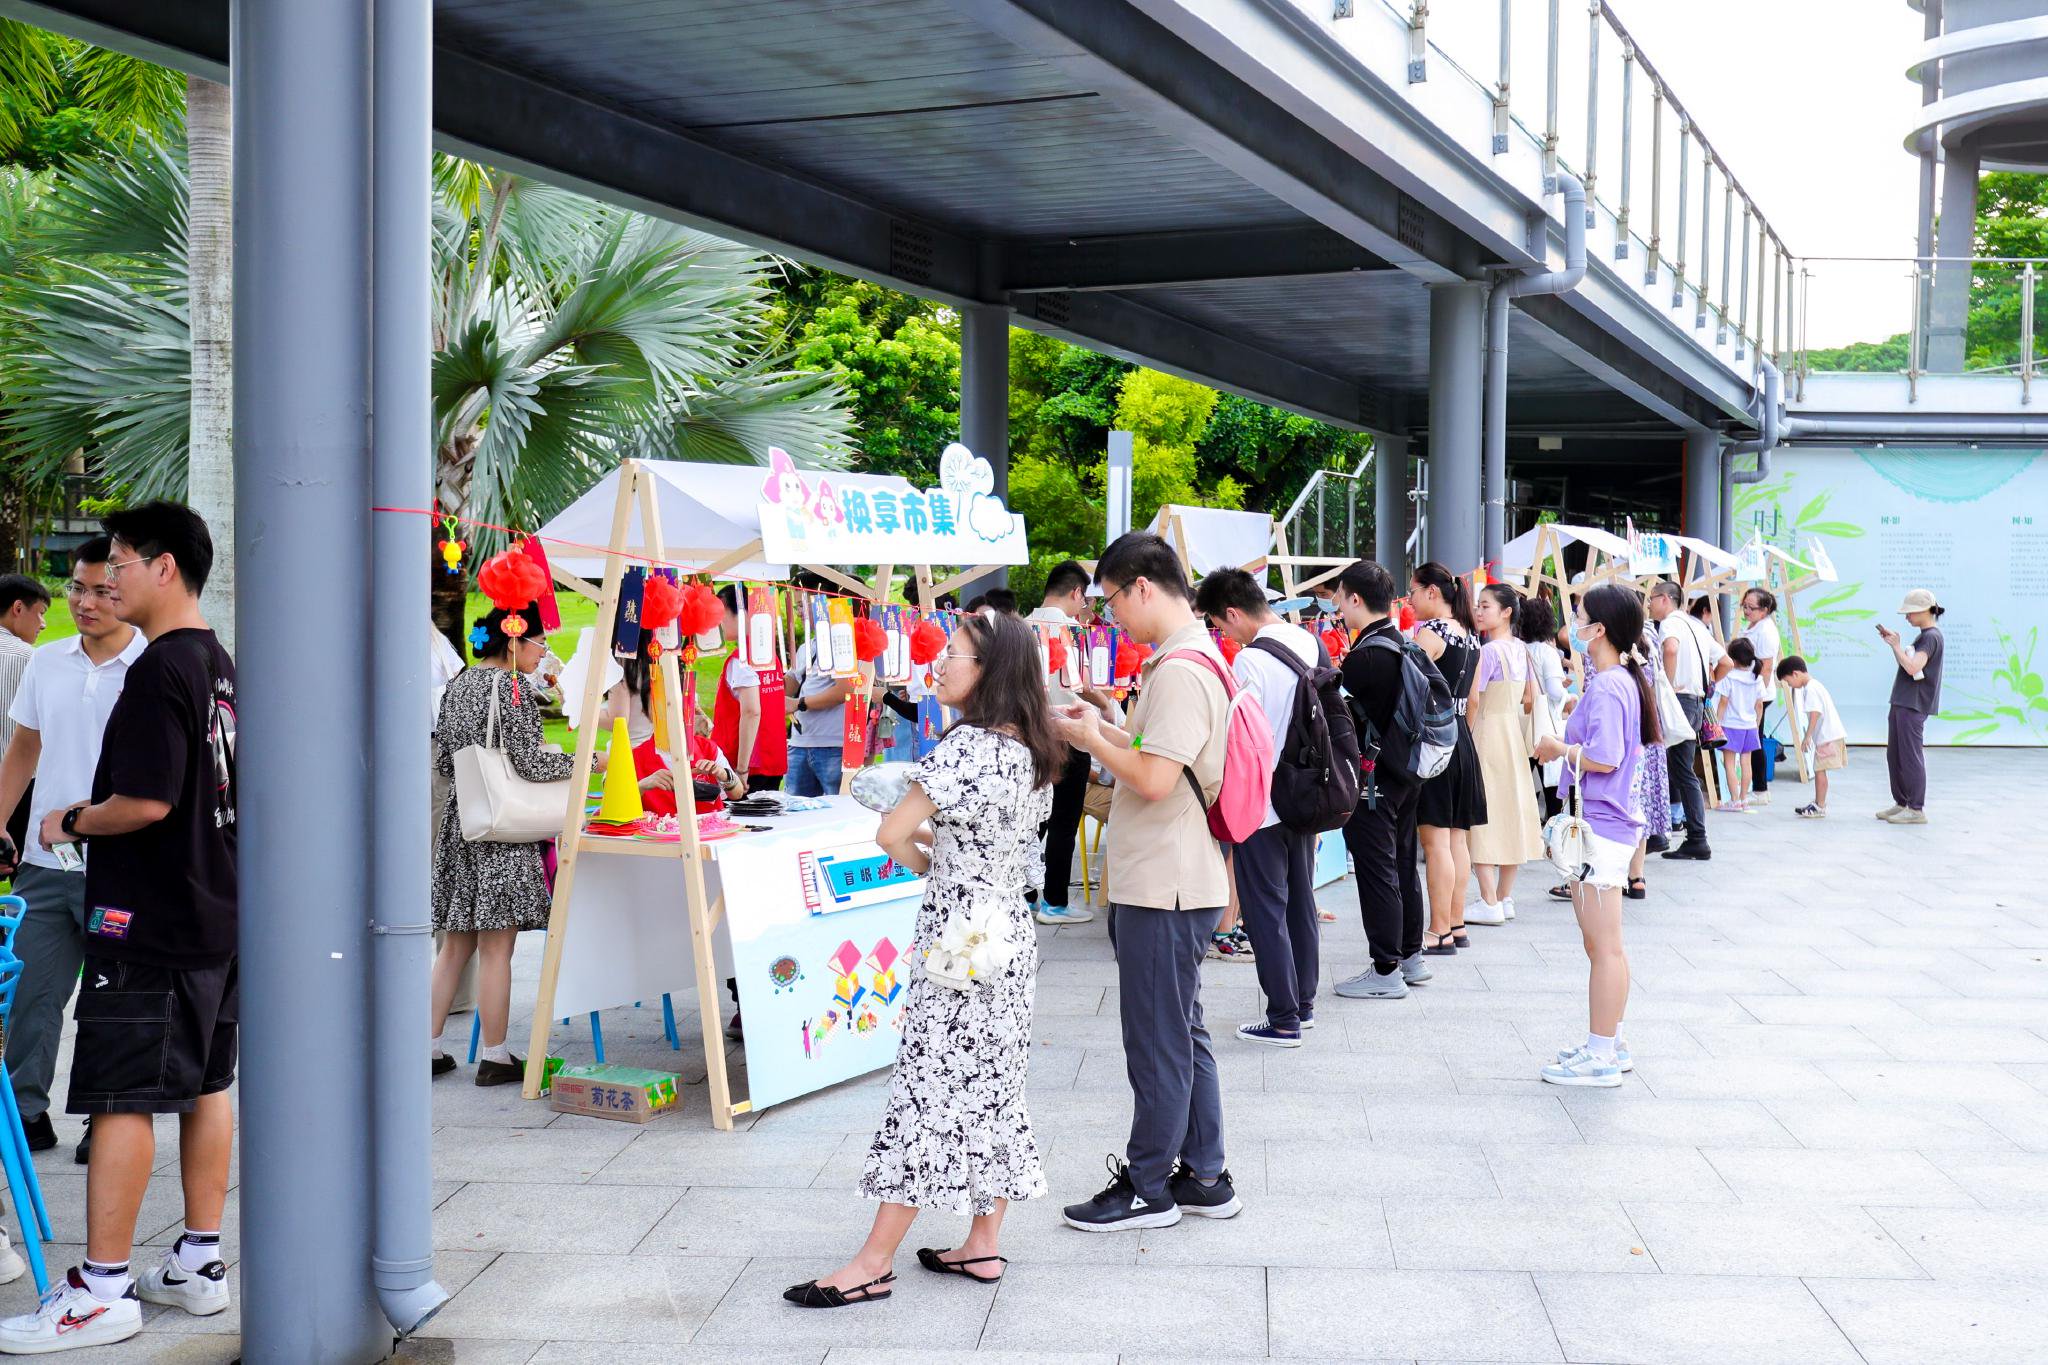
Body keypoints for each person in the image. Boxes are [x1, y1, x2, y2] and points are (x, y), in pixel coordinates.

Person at [0, 503, 237, 1353]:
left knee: (120, 1094)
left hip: (148, 918)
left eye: (124, 563)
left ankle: (101, 1289)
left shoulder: (158, 668)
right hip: (211, 911)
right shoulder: (215, 661)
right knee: (207, 1084)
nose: (108, 580)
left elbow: (145, 801)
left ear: (164, 568)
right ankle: (199, 1260)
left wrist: (70, 818)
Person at [784, 613, 1061, 1308]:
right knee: (994, 1086)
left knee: (928, 1088)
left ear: (989, 671)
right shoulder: (1032, 749)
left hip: (955, 947)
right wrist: (955, 859)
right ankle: (982, 1243)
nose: (938, 665)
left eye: (953, 655)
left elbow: (891, 832)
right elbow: (999, 844)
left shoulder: (963, 748)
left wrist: (934, 867)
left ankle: (872, 1261)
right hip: (1008, 937)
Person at [1051, 532, 1242, 1231]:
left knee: (1159, 1041)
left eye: (1111, 601)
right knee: (1181, 1031)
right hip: (1175, 876)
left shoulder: (1183, 670)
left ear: (1142, 586)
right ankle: (1205, 1175)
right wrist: (1105, 726)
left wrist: (1090, 740)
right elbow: (1152, 753)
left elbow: (1156, 779)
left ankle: (1148, 1185)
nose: (1111, 617)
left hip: (1165, 881)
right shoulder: (1188, 659)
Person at [0, 540, 145, 1165]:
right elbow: (24, 748)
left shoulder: (152, 666)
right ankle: (26, 1115)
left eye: (101, 591)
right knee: (31, 991)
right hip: (42, 861)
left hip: (123, 866)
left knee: (111, 997)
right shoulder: (47, 660)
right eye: (76, 589)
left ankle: (104, 1115)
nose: (85, 602)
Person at [428, 604, 573, 1087]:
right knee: (496, 948)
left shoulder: (459, 684)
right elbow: (531, 764)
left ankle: (427, 1048)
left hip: (463, 823)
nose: (542, 654)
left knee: (454, 947)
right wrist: (586, 761)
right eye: (540, 644)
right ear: (513, 640)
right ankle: (495, 1055)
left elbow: (445, 762)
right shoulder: (512, 689)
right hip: (503, 833)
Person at [1529, 583, 1655, 1088]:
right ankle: (1610, 1042)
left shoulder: (1608, 684)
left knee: (1603, 947)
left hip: (1601, 826)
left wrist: (1557, 748)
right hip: (1610, 823)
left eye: (1579, 618)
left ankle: (1601, 1053)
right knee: (1606, 945)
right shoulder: (1619, 679)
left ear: (1599, 630)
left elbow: (1605, 757)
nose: (1573, 626)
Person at [1193, 568, 1321, 1044]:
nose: (1224, 636)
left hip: (1262, 803)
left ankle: (1283, 1018)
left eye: (1220, 625)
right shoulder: (1308, 642)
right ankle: (1303, 1005)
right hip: (1305, 795)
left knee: (1265, 908)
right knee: (1301, 900)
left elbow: (1246, 738)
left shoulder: (1251, 659)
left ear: (1232, 613)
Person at [1332, 558, 1428, 998]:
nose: (1337, 606)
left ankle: (1386, 970)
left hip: (1373, 781)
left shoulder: (1365, 656)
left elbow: (1341, 720)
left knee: (1377, 869)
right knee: (1403, 863)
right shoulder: (1402, 643)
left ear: (1355, 598)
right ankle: (1410, 957)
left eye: (1340, 597)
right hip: (1405, 772)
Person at [1408, 562, 1486, 945]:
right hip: (1462, 740)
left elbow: (1407, 689)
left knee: (1435, 841)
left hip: (1435, 740)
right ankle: (1456, 925)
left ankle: (1438, 929)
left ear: (1432, 592)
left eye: (1413, 592)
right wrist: (1461, 735)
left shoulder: (1431, 632)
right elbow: (1474, 701)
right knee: (1457, 838)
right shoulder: (1472, 638)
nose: (1409, 600)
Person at [1023, 560, 1097, 926]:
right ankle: (1054, 902)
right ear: (1076, 592)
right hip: (1070, 735)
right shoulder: (1075, 632)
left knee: (1028, 820)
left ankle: (1023, 895)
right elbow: (1086, 685)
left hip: (1028, 737)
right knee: (1063, 822)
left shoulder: (1019, 629)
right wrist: (1107, 709)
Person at [1466, 583, 1544, 921]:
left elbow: (1474, 699)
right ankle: (1504, 897)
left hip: (1487, 732)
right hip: (1512, 734)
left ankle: (1488, 900)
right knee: (1512, 811)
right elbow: (1531, 698)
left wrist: (1465, 734)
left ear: (1506, 612)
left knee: (1481, 815)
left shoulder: (1488, 652)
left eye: (1485, 606)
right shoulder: (1522, 650)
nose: (1479, 611)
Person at [1648, 580, 1722, 861]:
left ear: (1665, 599)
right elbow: (1725, 662)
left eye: (1652, 598)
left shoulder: (1670, 624)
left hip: (1678, 702)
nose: (1649, 604)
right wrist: (1705, 687)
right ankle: (1689, 836)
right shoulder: (1697, 626)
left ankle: (1694, 838)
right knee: (1679, 768)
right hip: (1696, 702)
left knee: (1674, 768)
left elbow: (1670, 649)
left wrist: (1666, 685)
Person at [1878, 588, 1945, 825]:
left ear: (1925, 610)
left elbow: (1913, 667)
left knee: (1909, 755)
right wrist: (1894, 646)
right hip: (1904, 701)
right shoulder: (1925, 636)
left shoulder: (1930, 637)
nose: (1907, 617)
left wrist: (1896, 646)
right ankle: (1902, 803)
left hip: (1913, 704)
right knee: (1895, 755)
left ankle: (1915, 808)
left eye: (1910, 612)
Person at [713, 584, 787, 793]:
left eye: (721, 613)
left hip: (748, 765)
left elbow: (752, 711)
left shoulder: (741, 660)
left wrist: (742, 768)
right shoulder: (769, 656)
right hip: (772, 759)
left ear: (743, 613)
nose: (718, 621)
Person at [785, 596, 858, 798]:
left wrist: (798, 703)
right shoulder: (806, 647)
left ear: (821, 603)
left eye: (802, 605)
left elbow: (845, 690)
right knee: (797, 810)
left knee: (838, 809)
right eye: (797, 606)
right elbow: (790, 683)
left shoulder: (841, 643)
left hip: (832, 744)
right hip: (799, 743)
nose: (799, 612)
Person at [0, 575, 51, 858]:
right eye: (40, 613)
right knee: (31, 872)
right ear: (18, 608)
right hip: (22, 791)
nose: (43, 624)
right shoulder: (31, 659)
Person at [1777, 655, 1845, 818]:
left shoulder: (1810, 689)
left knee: (1819, 770)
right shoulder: (1815, 685)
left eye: (1788, 682)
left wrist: (1807, 736)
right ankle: (1818, 803)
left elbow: (1815, 712)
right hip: (1830, 735)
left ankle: (1819, 806)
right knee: (1820, 770)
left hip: (1827, 737)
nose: (1790, 685)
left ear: (1795, 674)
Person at [1519, 595, 1568, 821]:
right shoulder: (1547, 652)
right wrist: (1569, 696)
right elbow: (1555, 692)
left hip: (1520, 721)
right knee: (1550, 784)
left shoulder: (1517, 649)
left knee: (1522, 780)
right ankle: (1554, 825)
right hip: (1543, 725)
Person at [1736, 588, 1781, 804]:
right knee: (1753, 738)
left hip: (1759, 694)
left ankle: (1761, 789)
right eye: (1744, 606)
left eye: (1750, 608)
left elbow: (1766, 667)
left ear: (1764, 610)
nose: (1746, 611)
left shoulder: (1766, 631)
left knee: (1755, 740)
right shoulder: (1754, 625)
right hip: (1750, 691)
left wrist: (1757, 697)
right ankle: (1757, 788)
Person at [1714, 638, 1765, 813]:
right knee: (1746, 763)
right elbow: (1759, 705)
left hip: (1731, 724)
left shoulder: (1728, 676)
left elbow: (1723, 702)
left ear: (1733, 659)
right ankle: (1744, 799)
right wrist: (1756, 723)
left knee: (1729, 763)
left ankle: (1734, 800)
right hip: (1749, 726)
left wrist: (1717, 724)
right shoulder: (1757, 677)